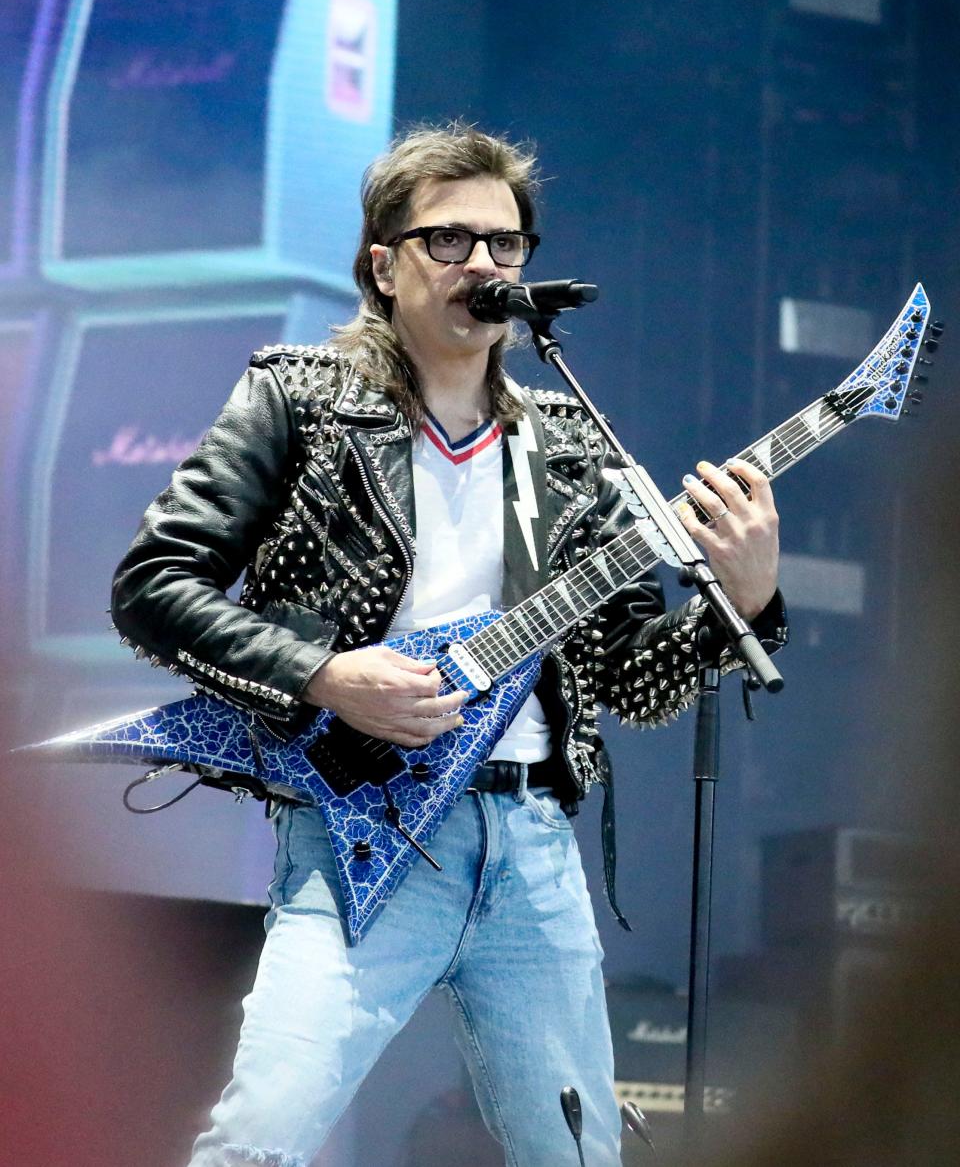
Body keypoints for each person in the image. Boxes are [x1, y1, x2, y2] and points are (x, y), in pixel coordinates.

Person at [111, 124, 785, 1167]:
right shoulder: (300, 398)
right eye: (450, 241)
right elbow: (153, 586)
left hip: (532, 848)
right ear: (383, 265)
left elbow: (630, 682)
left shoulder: (570, 445)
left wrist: (740, 601)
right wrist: (325, 674)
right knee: (263, 1139)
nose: (485, 265)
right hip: (362, 838)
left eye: (506, 245)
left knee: (575, 1155)